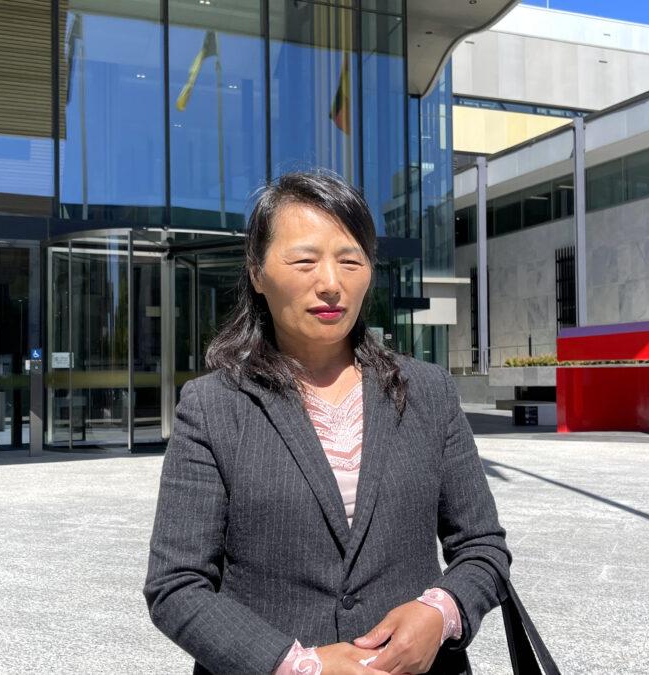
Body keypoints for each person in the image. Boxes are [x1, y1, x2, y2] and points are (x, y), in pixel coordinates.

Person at [144, 171, 511, 674]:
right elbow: (176, 586)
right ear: (257, 272)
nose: (331, 284)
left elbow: (483, 548)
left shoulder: (427, 392)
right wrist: (298, 665)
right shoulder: (212, 407)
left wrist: (440, 612)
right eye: (304, 260)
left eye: (350, 260)